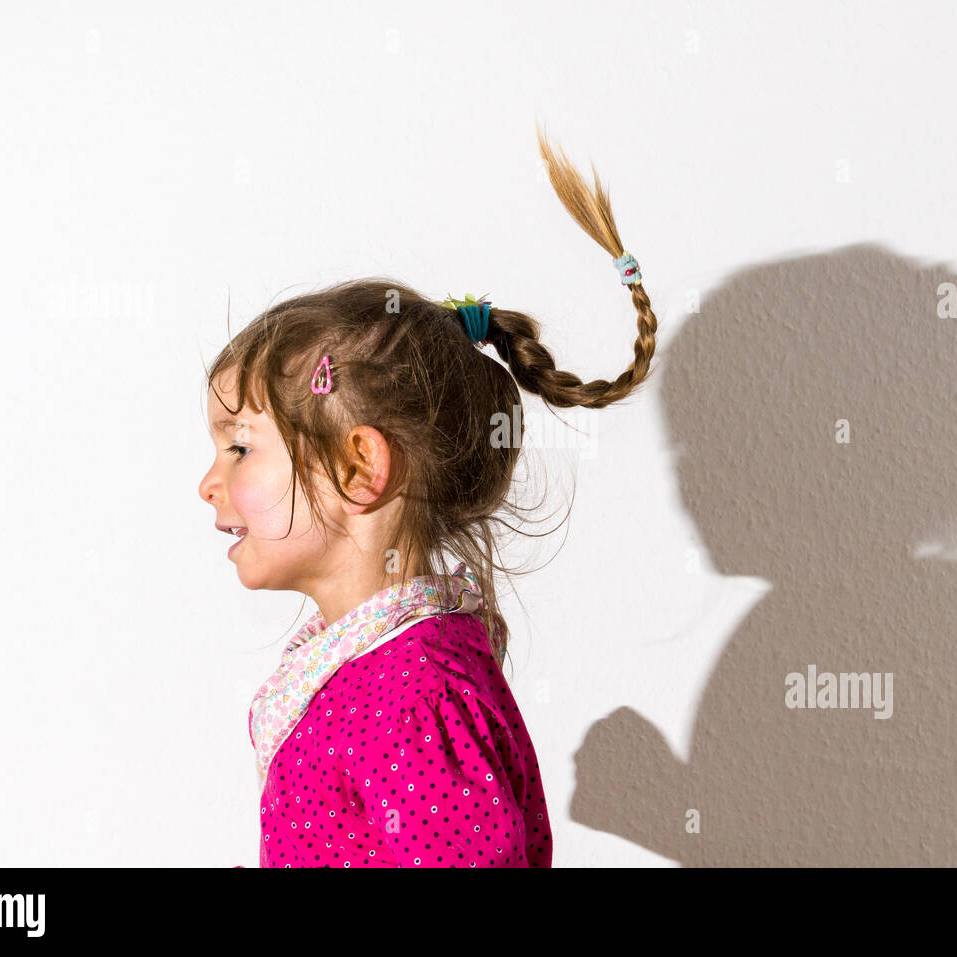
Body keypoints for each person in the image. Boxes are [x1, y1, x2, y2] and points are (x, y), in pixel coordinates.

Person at [198, 124, 659, 867]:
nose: (208, 483)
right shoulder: (364, 669)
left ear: (358, 468)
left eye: (240, 446)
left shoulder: (414, 694)